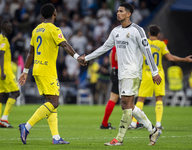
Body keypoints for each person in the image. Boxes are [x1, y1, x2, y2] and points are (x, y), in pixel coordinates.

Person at [78, 3, 162, 146]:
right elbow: (104, 47)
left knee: (125, 104)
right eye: (117, 11)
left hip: (133, 72)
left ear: (128, 14)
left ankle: (119, 139)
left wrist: (155, 72)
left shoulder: (138, 30)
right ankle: (153, 130)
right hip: (122, 74)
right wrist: (87, 58)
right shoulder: (116, 31)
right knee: (128, 106)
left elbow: (147, 51)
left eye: (121, 11)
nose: (118, 13)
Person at [18, 3, 81, 145]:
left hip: (37, 70)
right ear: (54, 14)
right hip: (47, 71)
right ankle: (26, 127)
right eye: (56, 12)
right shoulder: (53, 29)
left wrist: (25, 72)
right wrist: (77, 57)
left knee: (50, 103)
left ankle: (56, 137)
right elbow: (64, 44)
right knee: (54, 102)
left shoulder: (36, 30)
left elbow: (30, 53)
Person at [130, 25, 192, 129]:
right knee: (159, 99)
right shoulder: (162, 44)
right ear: (158, 34)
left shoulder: (144, 43)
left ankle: (133, 123)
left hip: (146, 74)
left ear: (149, 33)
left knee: (141, 99)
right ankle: (158, 123)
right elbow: (171, 58)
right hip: (158, 74)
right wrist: (184, 59)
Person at [0, 20, 20, 128]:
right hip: (4, 70)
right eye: (9, 27)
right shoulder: (3, 39)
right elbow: (1, 54)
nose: (11, 29)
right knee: (16, 93)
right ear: (4, 28)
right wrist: (3, 72)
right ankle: (4, 119)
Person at [100, 46, 118, 129]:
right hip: (122, 72)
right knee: (130, 98)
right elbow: (116, 57)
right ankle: (134, 122)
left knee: (113, 98)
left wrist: (112, 67)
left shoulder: (115, 45)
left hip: (115, 71)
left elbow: (111, 55)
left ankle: (104, 123)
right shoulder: (123, 44)